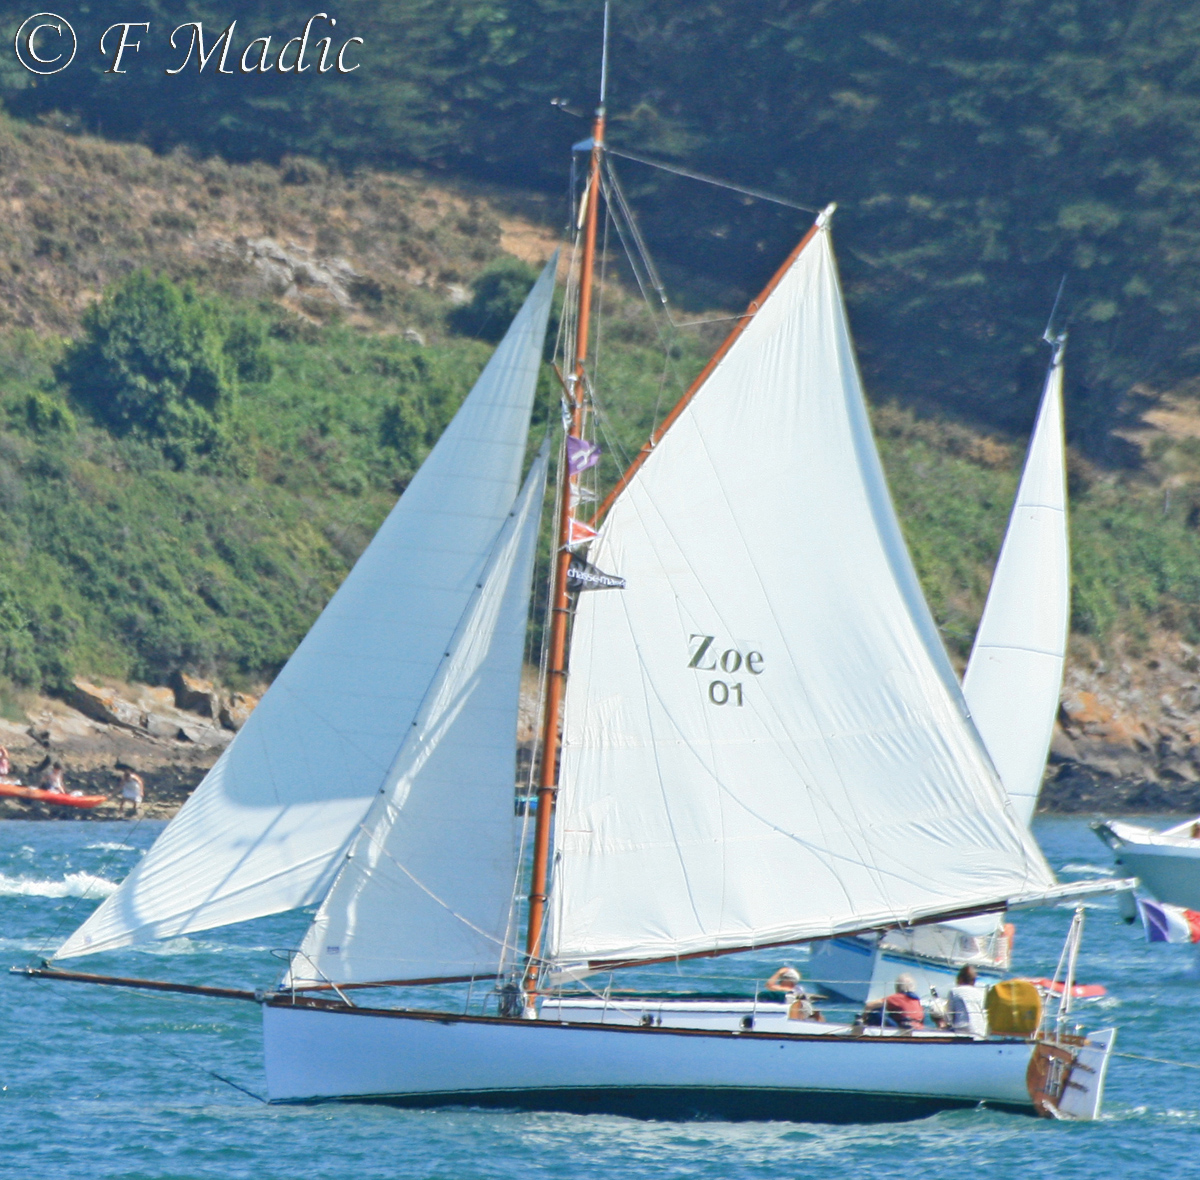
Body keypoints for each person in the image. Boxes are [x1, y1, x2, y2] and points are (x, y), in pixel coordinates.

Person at [946, 964, 988, 1036]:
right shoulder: (982, 993)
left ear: (960, 979)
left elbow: (949, 1015)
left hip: (962, 1032)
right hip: (981, 1032)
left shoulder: (954, 991)